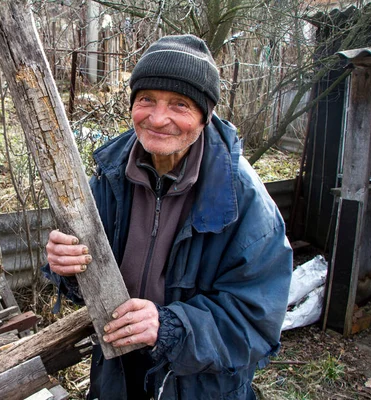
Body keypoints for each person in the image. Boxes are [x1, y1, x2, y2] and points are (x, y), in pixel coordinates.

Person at [42, 34, 292, 400]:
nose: (158, 119)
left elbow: (256, 322)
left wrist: (170, 326)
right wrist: (65, 267)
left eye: (179, 104)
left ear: (205, 115)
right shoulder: (109, 174)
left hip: (199, 384)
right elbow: (86, 274)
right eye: (147, 100)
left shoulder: (243, 200)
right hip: (116, 373)